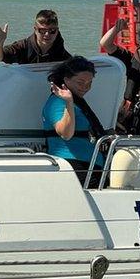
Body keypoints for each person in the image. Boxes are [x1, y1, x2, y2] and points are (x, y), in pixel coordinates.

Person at [42, 56, 107, 186]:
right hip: (73, 164)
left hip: (90, 164)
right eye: (80, 82)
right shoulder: (57, 102)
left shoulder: (79, 103)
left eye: (89, 83)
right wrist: (69, 102)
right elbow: (65, 133)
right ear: (66, 80)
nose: (85, 87)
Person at [0, 9, 71, 64]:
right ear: (35, 29)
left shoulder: (63, 54)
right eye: (42, 30)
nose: (47, 34)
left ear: (57, 30)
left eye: (52, 31)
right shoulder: (23, 46)